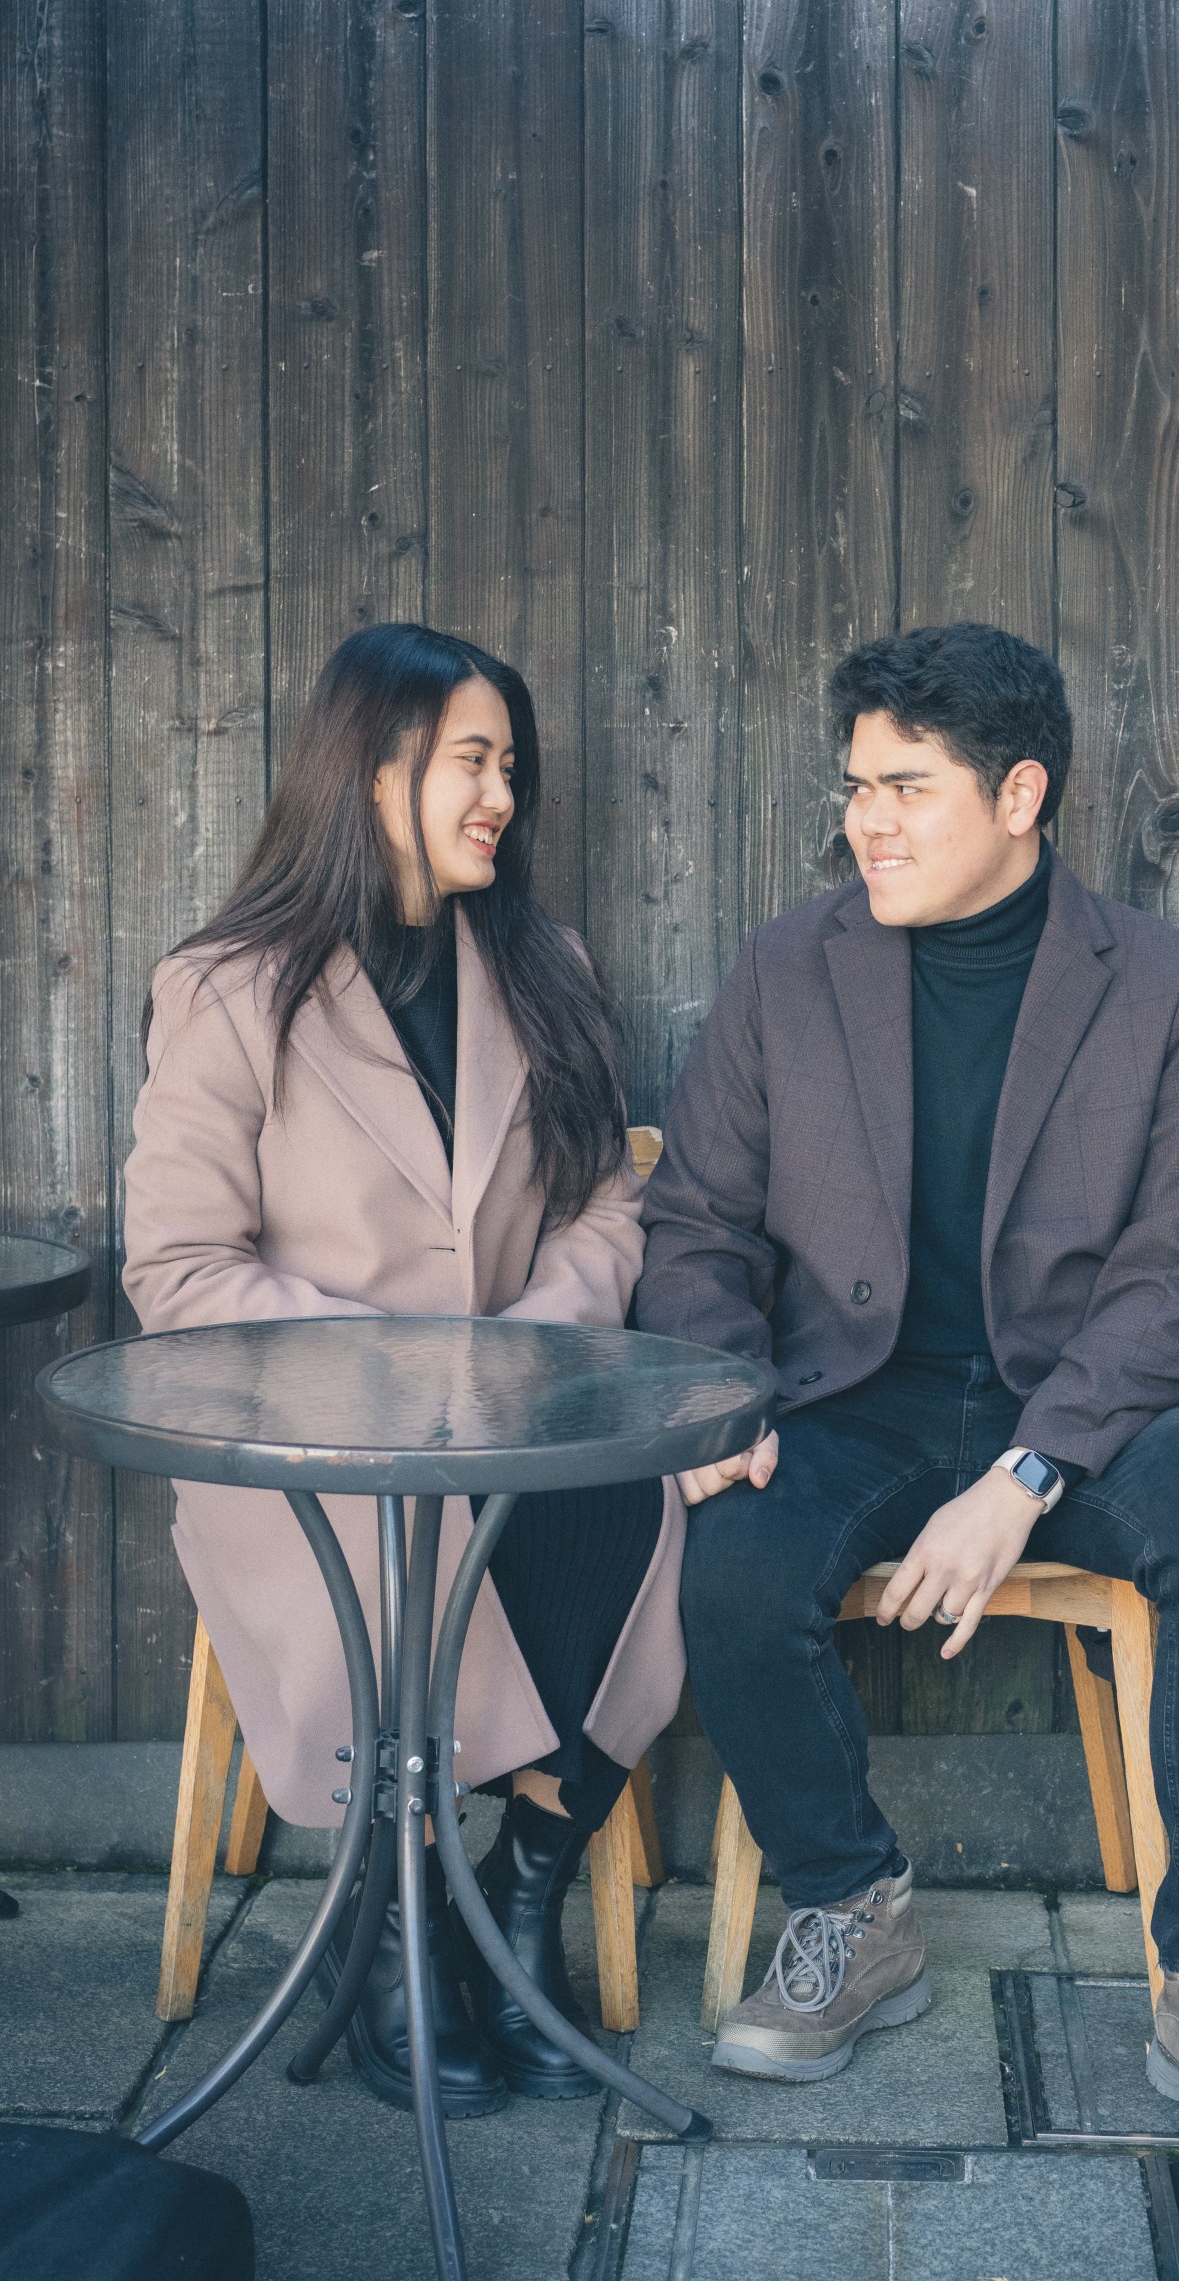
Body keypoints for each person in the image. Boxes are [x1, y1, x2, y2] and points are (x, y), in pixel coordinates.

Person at [637, 621, 1179, 2166]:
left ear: (1020, 795)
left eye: (907, 788)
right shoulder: (788, 970)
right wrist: (721, 1406)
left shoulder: (1167, 988)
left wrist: (1025, 1476)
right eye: (855, 787)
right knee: (734, 1557)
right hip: (854, 1390)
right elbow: (695, 1228)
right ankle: (852, 1908)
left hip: (1096, 1398)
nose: (866, 822)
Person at [123, 623, 684, 2120]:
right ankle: (397, 1908)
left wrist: (536, 1339)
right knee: (404, 1537)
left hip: (523, 1411)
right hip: (302, 1448)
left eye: (510, 765)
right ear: (374, 771)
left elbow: (607, 1203)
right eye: (471, 762)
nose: (504, 794)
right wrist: (405, 1373)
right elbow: (179, 1268)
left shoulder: (545, 966)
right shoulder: (228, 988)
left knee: (643, 1514)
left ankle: (523, 1887)